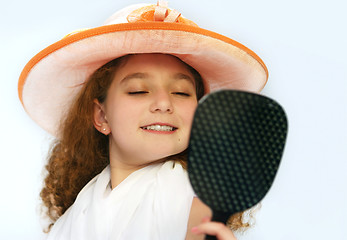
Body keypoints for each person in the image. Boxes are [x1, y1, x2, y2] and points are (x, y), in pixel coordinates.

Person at [18, 1, 268, 239]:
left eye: (181, 92)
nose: (164, 103)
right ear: (102, 116)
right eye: (139, 90)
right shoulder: (75, 216)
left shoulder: (187, 194)